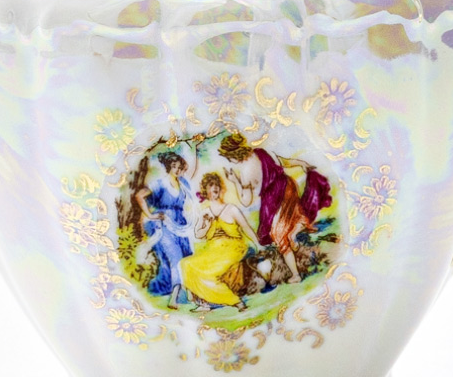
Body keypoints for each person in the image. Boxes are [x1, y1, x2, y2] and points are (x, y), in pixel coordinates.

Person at [217, 133, 330, 283]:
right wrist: (301, 163)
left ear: (233, 155)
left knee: (279, 236)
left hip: (274, 199)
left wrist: (235, 181)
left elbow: (245, 201)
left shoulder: (245, 172)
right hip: (288, 187)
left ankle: (295, 275)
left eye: (228, 157)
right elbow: (284, 162)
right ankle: (295, 234)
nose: (229, 161)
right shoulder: (261, 152)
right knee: (293, 216)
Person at [179, 173, 254, 312]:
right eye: (210, 186)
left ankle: (236, 302)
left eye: (216, 186)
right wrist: (207, 226)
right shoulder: (205, 212)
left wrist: (258, 243)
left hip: (233, 248)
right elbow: (198, 234)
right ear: (205, 191)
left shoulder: (231, 209)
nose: (214, 188)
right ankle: (204, 303)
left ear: (220, 189)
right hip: (213, 250)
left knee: (209, 273)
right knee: (186, 264)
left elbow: (246, 228)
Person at [134, 148, 193, 307]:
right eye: (174, 166)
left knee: (187, 257)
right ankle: (174, 298)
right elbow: (139, 196)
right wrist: (150, 215)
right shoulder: (160, 183)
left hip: (180, 225)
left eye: (179, 167)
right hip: (164, 226)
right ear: (168, 167)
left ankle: (190, 294)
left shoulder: (183, 183)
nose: (177, 170)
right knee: (176, 258)